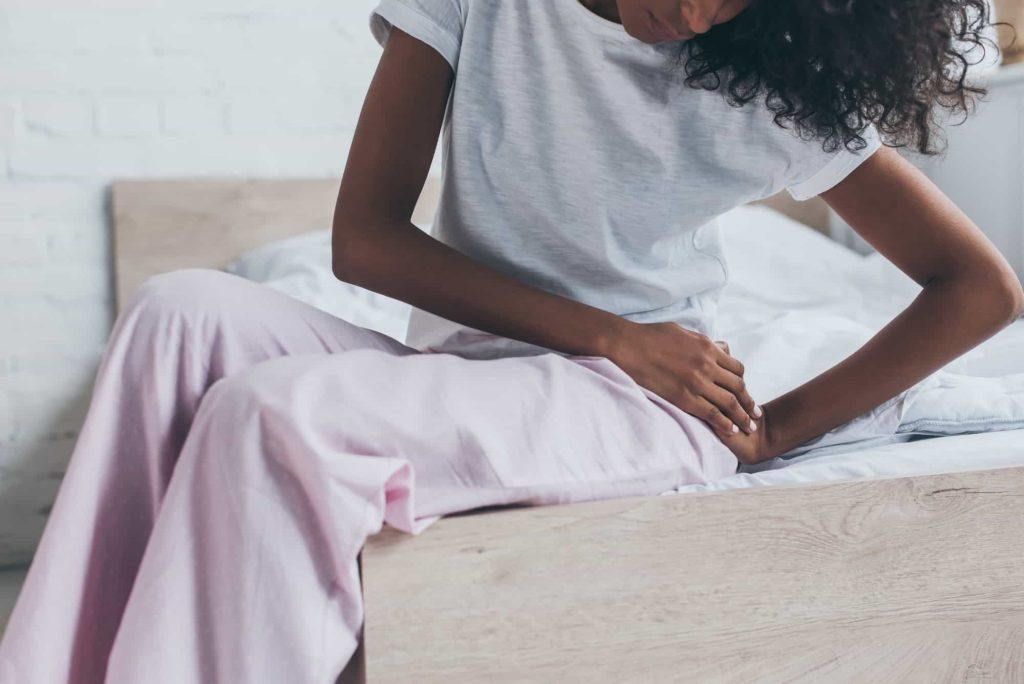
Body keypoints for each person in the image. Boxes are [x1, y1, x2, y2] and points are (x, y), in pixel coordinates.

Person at [2, 0, 1021, 681]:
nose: (705, 13)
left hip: (642, 408)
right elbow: (363, 241)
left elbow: (978, 287)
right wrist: (612, 335)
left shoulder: (772, 88)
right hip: (503, 367)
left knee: (273, 416)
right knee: (179, 310)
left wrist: (777, 429)